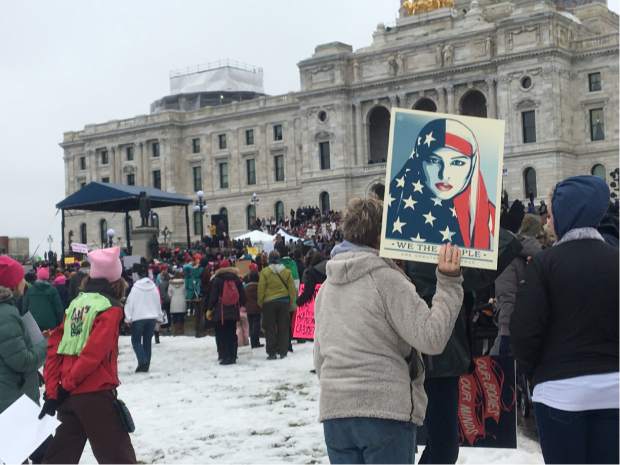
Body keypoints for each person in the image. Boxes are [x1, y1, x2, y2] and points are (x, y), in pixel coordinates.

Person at [314, 198, 464, 465]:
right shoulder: (386, 279)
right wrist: (449, 283)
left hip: (336, 414)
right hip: (383, 411)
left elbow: (320, 357)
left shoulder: (327, 287)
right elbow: (431, 338)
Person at [511, 176, 619, 464]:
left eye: (551, 213)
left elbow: (524, 332)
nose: (548, 220)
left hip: (559, 391)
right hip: (613, 388)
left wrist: (535, 375)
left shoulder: (545, 265)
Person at [39, 247, 137, 463]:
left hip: (68, 396)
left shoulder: (76, 305)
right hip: (94, 393)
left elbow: (55, 348)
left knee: (60, 457)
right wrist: (65, 387)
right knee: (118, 456)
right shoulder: (110, 309)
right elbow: (94, 355)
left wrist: (54, 391)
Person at [386, 118, 495, 249]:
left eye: (457, 162)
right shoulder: (395, 212)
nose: (444, 175)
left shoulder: (490, 220)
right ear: (418, 161)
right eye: (434, 160)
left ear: (473, 166)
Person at [490, 214, 543, 356]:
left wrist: (504, 328)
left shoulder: (509, 255)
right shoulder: (543, 254)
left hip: (510, 328)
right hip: (537, 326)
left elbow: (506, 295)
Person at [0, 256, 48, 414]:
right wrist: (45, 344)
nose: (24, 282)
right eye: (20, 278)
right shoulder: (6, 315)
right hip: (13, 402)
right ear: (11, 284)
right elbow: (23, 361)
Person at [124, 264, 164, 372]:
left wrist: (128, 318)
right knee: (147, 341)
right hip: (151, 317)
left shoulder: (135, 288)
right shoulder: (153, 287)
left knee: (136, 341)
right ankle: (145, 365)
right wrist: (159, 316)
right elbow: (157, 302)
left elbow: (130, 303)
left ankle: (142, 361)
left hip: (138, 317)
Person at [258, 251, 297, 360]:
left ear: (269, 260)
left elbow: (261, 288)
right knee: (283, 327)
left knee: (270, 328)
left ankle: (272, 352)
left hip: (269, 303)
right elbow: (292, 289)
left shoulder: (264, 272)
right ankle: (283, 351)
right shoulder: (287, 272)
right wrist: (292, 303)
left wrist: (260, 302)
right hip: (284, 302)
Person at [206, 260, 246, 365]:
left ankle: (224, 356)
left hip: (220, 312)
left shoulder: (217, 280)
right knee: (232, 333)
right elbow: (243, 296)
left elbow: (213, 297)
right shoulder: (237, 279)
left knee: (221, 333)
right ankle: (233, 355)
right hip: (233, 310)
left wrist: (209, 309)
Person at [22, 266, 65, 332]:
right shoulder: (52, 290)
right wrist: (60, 323)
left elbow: (25, 309)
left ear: (37, 277)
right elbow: (58, 308)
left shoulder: (30, 290)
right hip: (51, 324)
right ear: (48, 278)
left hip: (34, 325)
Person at [243, 269, 262, 348]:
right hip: (257, 309)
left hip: (248, 309)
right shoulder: (259, 287)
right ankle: (256, 342)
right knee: (256, 326)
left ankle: (253, 342)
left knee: (251, 325)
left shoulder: (245, 288)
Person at [168, 270, 187, 336]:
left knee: (175, 316)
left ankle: (176, 330)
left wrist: (172, 297)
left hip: (174, 300)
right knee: (181, 316)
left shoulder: (171, 283)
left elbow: (169, 293)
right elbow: (185, 292)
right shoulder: (184, 282)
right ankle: (181, 330)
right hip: (182, 299)